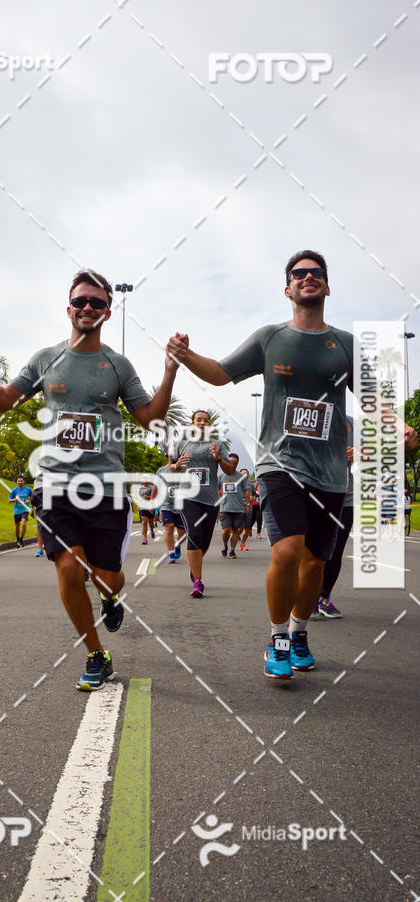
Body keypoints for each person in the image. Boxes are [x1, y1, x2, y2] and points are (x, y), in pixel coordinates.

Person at [168, 249, 417, 679]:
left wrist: (400, 426)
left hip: (330, 473)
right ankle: (278, 637)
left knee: (315, 563)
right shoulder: (270, 338)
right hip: (278, 464)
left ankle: (300, 631)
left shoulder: (345, 345)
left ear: (326, 285)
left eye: (316, 273)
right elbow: (223, 372)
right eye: (299, 274)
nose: (308, 278)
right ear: (288, 289)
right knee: (285, 551)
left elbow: (374, 400)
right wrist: (185, 356)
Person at [0, 269, 178, 690]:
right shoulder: (45, 359)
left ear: (108, 311)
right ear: (68, 308)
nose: (88, 307)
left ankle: (109, 596)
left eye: (97, 303)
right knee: (69, 567)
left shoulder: (118, 365)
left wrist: (170, 371)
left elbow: (150, 419)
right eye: (81, 301)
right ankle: (96, 653)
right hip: (54, 485)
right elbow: (3, 399)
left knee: (106, 576)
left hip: (105, 487)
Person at [169, 410, 234, 598]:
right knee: (195, 534)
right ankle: (198, 582)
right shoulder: (182, 444)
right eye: (198, 420)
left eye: (206, 420)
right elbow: (172, 468)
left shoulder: (217, 445)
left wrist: (218, 458)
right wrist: (177, 465)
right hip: (188, 497)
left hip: (210, 499)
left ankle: (194, 565)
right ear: (192, 423)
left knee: (204, 542)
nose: (202, 423)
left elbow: (229, 471)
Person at [311, 416, 353, 619]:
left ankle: (323, 598)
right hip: (318, 494)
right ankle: (308, 598)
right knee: (314, 551)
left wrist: (359, 455)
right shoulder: (316, 415)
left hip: (346, 496)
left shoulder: (352, 423)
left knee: (336, 552)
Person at [152, 463, 187, 563]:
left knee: (183, 533)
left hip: (182, 506)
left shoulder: (187, 469)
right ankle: (171, 553)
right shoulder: (162, 470)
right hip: (166, 505)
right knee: (169, 527)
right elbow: (156, 487)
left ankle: (177, 544)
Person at [219, 454, 250, 559]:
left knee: (236, 531)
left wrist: (248, 504)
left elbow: (246, 490)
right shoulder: (221, 476)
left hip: (239, 508)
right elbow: (215, 491)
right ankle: (225, 545)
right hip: (225, 508)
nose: (233, 465)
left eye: (235, 463)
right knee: (226, 529)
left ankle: (232, 551)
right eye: (231, 462)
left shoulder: (241, 477)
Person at [9, 475, 34, 547]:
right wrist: (15, 499)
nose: (20, 482)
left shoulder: (28, 489)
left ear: (24, 481)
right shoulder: (14, 490)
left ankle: (21, 540)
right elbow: (9, 500)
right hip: (16, 510)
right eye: (18, 481)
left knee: (23, 524)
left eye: (21, 481)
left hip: (25, 509)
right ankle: (17, 540)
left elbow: (33, 498)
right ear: (17, 482)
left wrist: (30, 504)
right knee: (17, 526)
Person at [238, 466, 253, 550]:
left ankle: (242, 544)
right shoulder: (237, 484)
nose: (245, 474)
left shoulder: (251, 485)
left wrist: (252, 498)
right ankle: (234, 538)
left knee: (247, 528)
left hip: (249, 508)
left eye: (246, 473)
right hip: (239, 508)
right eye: (243, 473)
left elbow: (254, 495)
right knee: (240, 528)